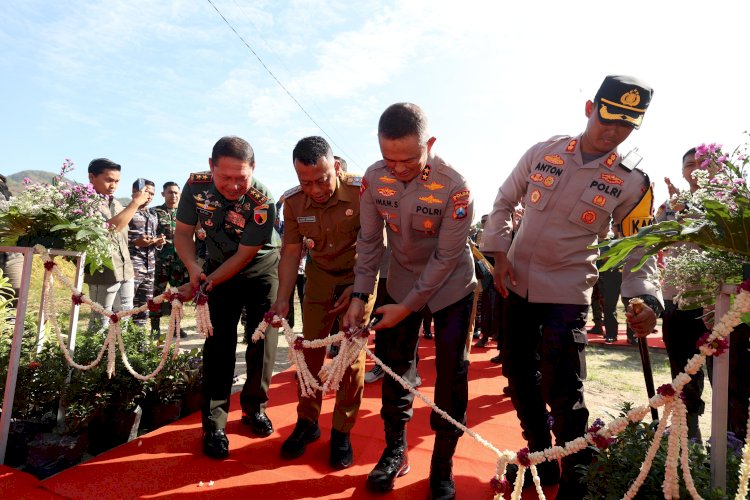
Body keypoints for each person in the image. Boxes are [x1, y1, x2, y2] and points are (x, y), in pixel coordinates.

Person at [481, 75, 663, 498]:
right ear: (590, 108)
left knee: (563, 389)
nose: (614, 130)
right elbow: (504, 201)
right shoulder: (544, 151)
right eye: (608, 116)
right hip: (517, 285)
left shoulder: (633, 181)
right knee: (518, 375)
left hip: (567, 290)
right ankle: (542, 459)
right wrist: (500, 253)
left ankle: (577, 477)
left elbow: (638, 250)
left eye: (627, 124)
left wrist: (646, 297)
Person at [344, 103, 476, 500]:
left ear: (430, 144)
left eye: (408, 160)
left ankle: (442, 465)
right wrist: (360, 295)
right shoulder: (372, 179)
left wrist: (409, 306)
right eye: (389, 158)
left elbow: (446, 257)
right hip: (399, 280)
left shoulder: (456, 185)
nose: (397, 169)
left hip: (451, 287)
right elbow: (368, 243)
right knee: (395, 369)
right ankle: (394, 451)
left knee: (452, 377)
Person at [269, 136, 372, 469]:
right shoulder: (295, 201)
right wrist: (283, 298)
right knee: (308, 352)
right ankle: (307, 422)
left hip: (360, 277)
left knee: (349, 359)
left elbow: (377, 243)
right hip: (320, 281)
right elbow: (290, 252)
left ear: (337, 167)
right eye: (305, 182)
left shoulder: (362, 191)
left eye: (321, 179)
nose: (314, 189)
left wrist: (358, 288)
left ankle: (341, 431)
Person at [174, 136, 280, 460]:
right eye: (226, 177)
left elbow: (246, 255)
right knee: (218, 343)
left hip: (259, 267)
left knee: (262, 341)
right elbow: (182, 234)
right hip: (217, 266)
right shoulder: (195, 187)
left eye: (241, 178)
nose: (234, 186)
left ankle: (254, 408)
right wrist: (194, 268)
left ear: (254, 169)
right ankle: (214, 424)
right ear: (211, 167)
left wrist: (206, 283)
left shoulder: (263, 200)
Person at [85, 158, 149, 331]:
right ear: (92, 177)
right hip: (103, 271)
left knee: (124, 318)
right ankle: (91, 357)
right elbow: (111, 228)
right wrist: (135, 202)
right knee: (100, 321)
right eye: (109, 180)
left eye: (117, 181)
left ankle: (118, 356)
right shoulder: (85, 203)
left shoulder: (117, 203)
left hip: (124, 269)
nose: (113, 185)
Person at [150, 182, 190, 338]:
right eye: (169, 192)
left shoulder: (185, 213)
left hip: (180, 262)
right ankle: (155, 329)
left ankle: (176, 327)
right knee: (157, 294)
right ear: (163, 194)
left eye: (176, 193)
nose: (173, 196)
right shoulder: (155, 212)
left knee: (177, 295)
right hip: (161, 261)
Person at [127, 178, 163, 329]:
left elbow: (152, 236)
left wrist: (158, 242)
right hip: (132, 266)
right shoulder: (126, 210)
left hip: (149, 266)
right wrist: (134, 242)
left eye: (152, 194)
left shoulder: (152, 214)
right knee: (125, 306)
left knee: (143, 307)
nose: (149, 196)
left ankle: (139, 343)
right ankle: (120, 342)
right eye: (146, 192)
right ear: (134, 192)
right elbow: (116, 236)